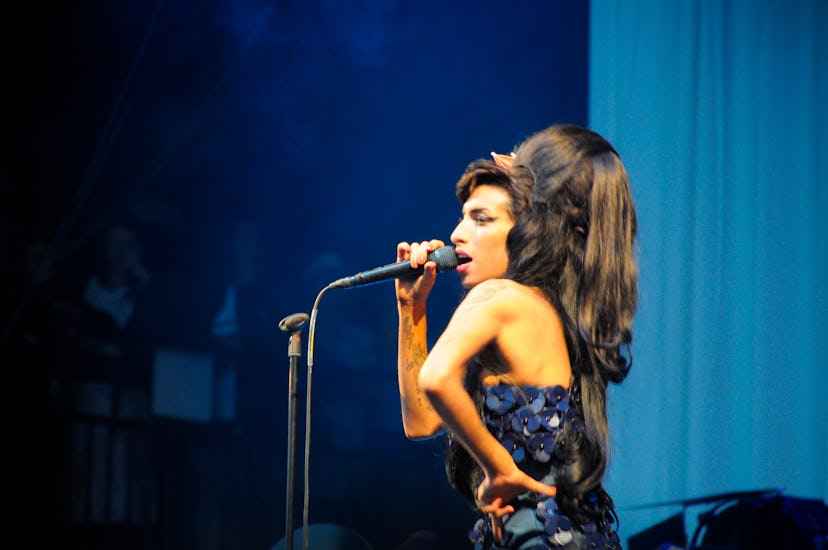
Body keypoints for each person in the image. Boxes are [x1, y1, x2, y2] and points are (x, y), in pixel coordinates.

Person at [394, 124, 638, 549]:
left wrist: (499, 468)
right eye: (463, 215)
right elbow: (422, 422)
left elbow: (435, 379)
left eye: (481, 218)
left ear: (528, 229)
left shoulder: (499, 296)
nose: (456, 234)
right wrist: (411, 311)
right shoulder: (557, 310)